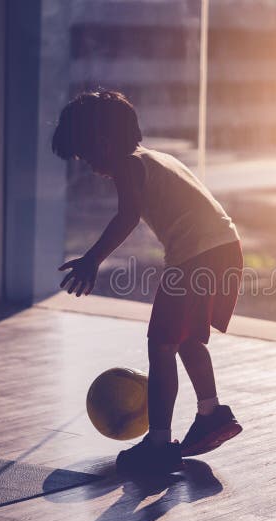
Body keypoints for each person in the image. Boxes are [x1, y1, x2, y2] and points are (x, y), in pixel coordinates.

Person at [52, 90, 243, 474]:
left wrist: (92, 260)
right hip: (223, 248)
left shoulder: (127, 165)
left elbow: (127, 217)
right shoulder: (157, 159)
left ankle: (158, 442)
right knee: (186, 339)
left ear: (103, 142)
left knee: (161, 345)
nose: (89, 166)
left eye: (86, 155)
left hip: (195, 254)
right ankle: (212, 414)